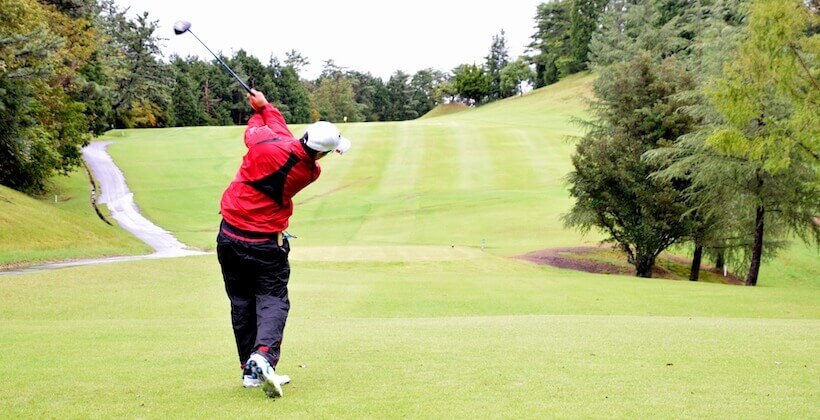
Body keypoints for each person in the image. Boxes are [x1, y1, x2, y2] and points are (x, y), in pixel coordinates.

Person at [216, 89, 350, 398]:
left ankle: (249, 370)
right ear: (321, 153)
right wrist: (267, 107)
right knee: (273, 299)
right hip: (265, 244)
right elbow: (285, 139)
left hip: (229, 236)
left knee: (241, 302)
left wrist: (258, 111)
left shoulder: (263, 142)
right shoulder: (310, 170)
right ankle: (263, 356)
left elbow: (262, 134)